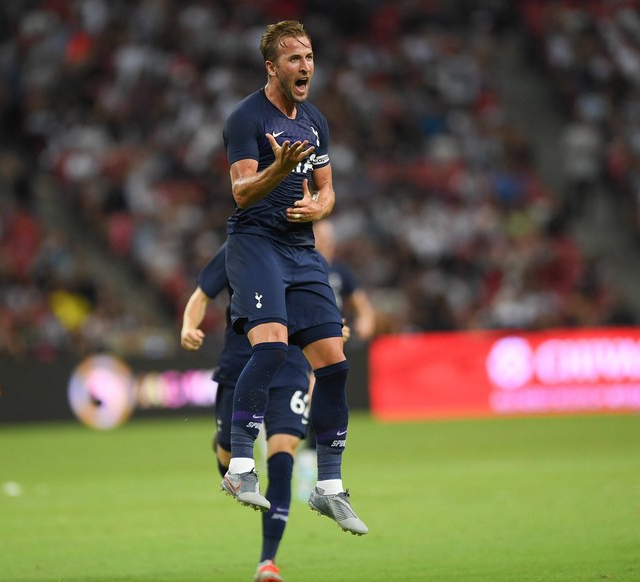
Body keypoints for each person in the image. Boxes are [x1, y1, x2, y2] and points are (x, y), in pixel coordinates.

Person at [220, 19, 367, 536]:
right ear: (272, 67)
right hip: (256, 243)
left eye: (308, 57)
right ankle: (240, 467)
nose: (305, 66)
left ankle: (329, 486)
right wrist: (279, 171)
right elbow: (241, 191)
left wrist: (317, 207)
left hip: (301, 250)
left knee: (334, 360)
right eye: (294, 59)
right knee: (272, 348)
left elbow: (328, 191)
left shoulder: (314, 121)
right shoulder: (245, 118)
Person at [182, 242, 312, 582]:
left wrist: (331, 329)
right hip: (241, 367)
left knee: (282, 455)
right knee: (228, 453)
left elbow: (318, 307)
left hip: (291, 366)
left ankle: (267, 562)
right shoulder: (238, 246)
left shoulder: (303, 251)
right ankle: (224, 450)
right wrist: (187, 326)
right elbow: (200, 296)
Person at [295, 219, 377, 501]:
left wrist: (366, 321)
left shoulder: (340, 272)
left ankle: (311, 469)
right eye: (322, 236)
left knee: (322, 400)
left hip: (333, 344)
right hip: (306, 342)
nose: (327, 241)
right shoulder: (299, 265)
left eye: (330, 237)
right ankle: (304, 465)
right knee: (309, 398)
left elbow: (361, 304)